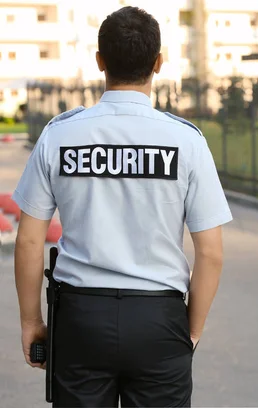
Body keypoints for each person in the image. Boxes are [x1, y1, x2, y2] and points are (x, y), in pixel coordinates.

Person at [13, 6, 232, 407]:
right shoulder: (186, 141)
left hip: (80, 319)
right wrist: (191, 332)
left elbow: (29, 241)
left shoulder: (59, 136)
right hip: (159, 321)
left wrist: (31, 321)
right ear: (158, 63)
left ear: (100, 61)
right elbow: (211, 253)